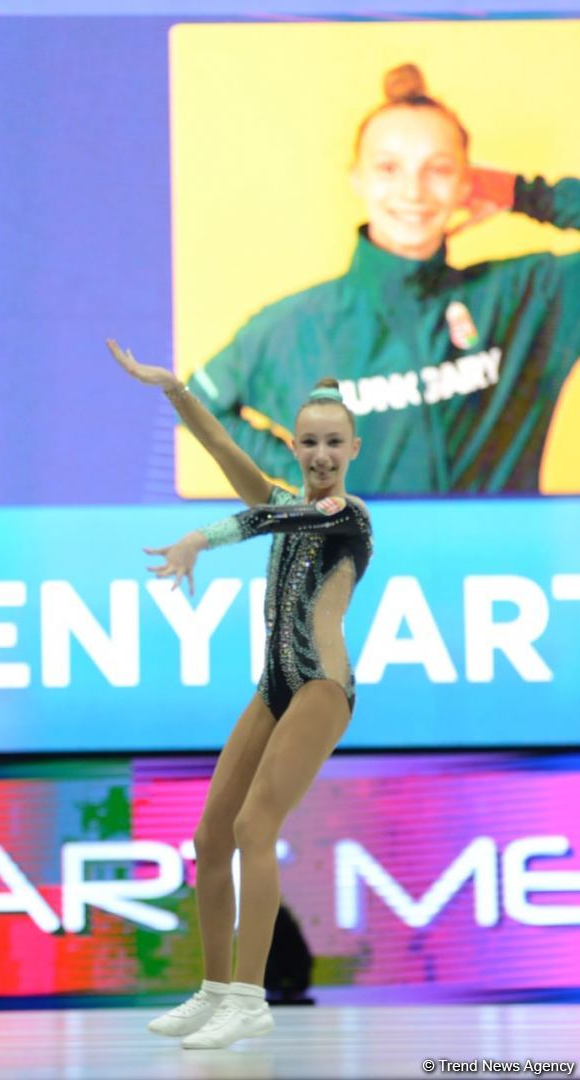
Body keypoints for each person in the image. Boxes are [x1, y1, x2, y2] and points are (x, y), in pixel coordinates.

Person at [106, 338, 373, 1049]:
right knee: (209, 836)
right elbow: (225, 448)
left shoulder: (347, 515)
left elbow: (260, 520)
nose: (320, 454)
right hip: (272, 688)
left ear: (353, 447)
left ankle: (250, 997)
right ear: (294, 444)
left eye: (333, 444)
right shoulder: (287, 501)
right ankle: (215, 989)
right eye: (308, 442)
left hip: (321, 685)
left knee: (256, 829)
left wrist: (197, 536)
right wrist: (173, 390)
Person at [186, 63, 580, 495]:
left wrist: (522, 193)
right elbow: (195, 406)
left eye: (439, 170)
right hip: (372, 561)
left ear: (468, 182)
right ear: (357, 177)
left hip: (503, 561)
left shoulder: (527, 297)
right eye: (389, 168)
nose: (413, 192)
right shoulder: (297, 326)